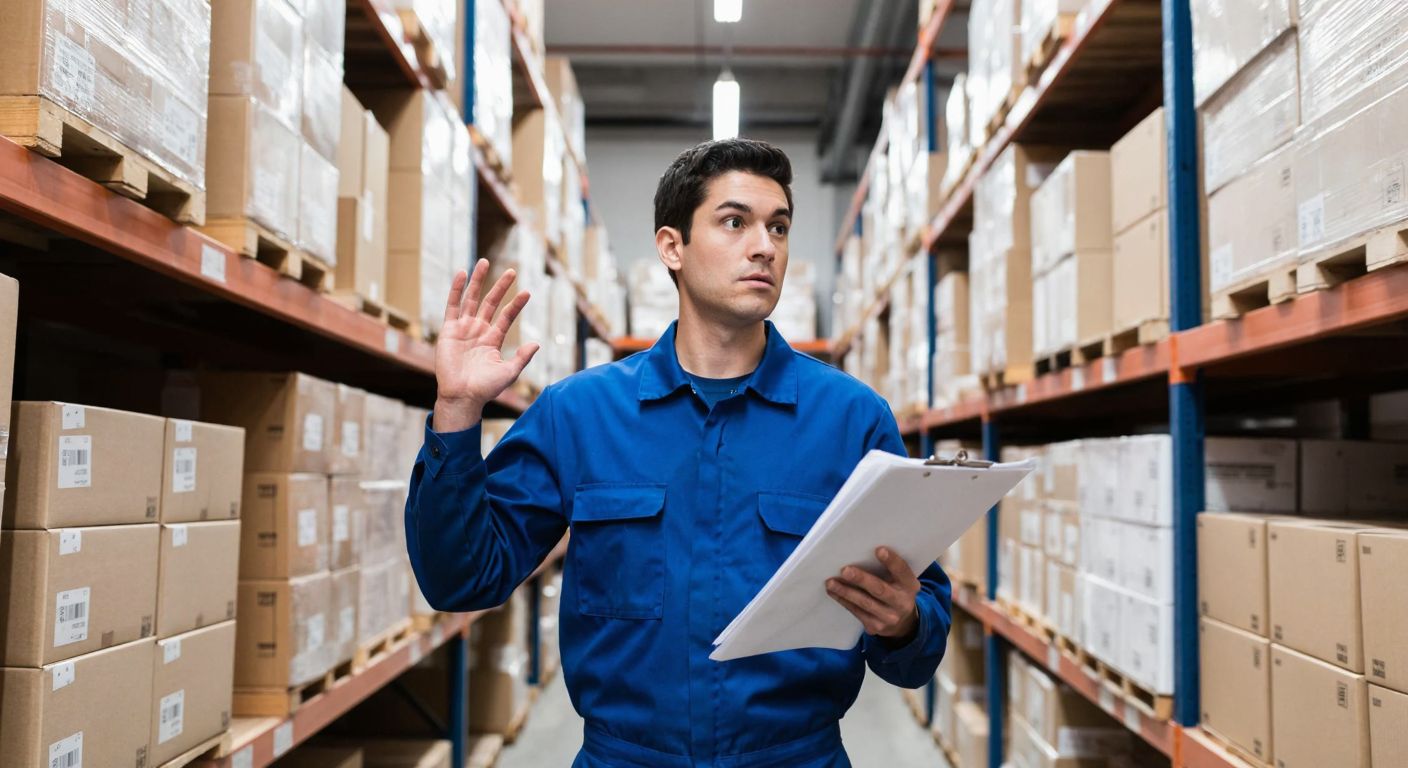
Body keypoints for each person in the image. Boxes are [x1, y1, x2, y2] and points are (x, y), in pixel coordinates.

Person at [407, 137, 952, 767]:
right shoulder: (580, 414)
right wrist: (456, 411)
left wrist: (904, 623)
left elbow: (920, 647)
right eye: (734, 221)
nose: (764, 246)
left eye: (778, 227)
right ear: (672, 246)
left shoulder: (852, 420)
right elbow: (460, 577)